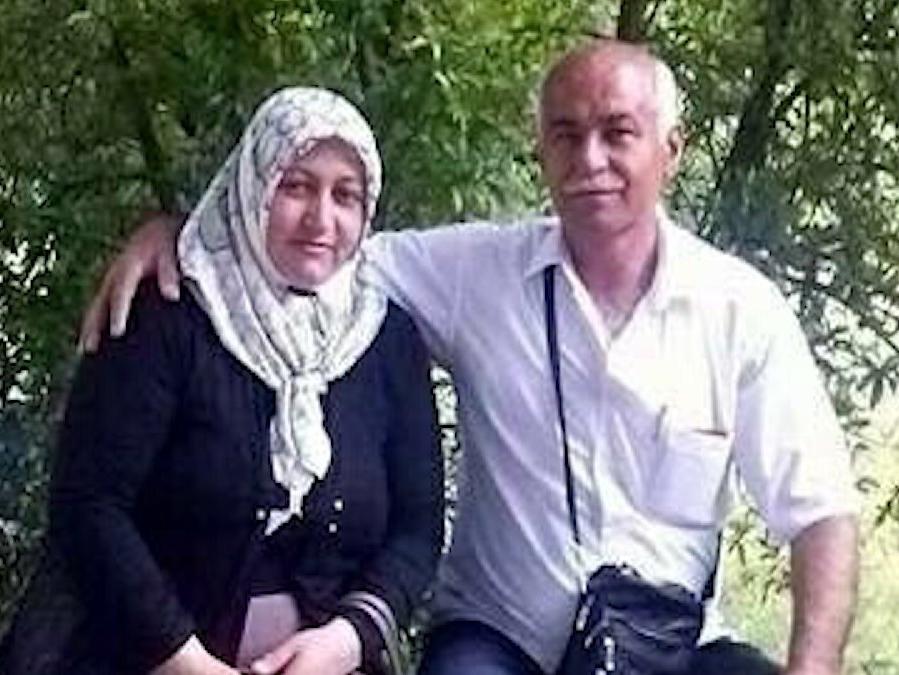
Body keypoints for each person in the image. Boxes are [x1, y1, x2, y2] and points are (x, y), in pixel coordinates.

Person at [78, 39, 860, 675]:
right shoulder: (473, 275)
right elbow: (295, 252)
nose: (589, 158)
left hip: (670, 642)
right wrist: (176, 234)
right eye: (565, 134)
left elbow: (820, 511)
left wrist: (811, 667)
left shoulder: (740, 311)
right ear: (539, 150)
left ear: (671, 149)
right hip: (499, 639)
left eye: (617, 132)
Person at [1, 87, 443, 675]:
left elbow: (418, 528)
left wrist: (348, 639)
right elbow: (90, 506)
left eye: (346, 195)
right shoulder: (164, 314)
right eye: (296, 186)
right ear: (252, 188)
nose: (321, 218)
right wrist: (187, 662)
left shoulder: (386, 339)